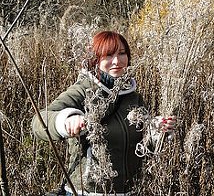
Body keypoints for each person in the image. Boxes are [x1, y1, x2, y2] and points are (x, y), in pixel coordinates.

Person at [32, 31, 175, 196]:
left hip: (128, 191)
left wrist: (156, 132)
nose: (117, 61)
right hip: (88, 192)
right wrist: (66, 120)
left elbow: (140, 146)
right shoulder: (84, 91)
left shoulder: (133, 96)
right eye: (108, 55)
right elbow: (39, 121)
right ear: (96, 59)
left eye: (122, 53)